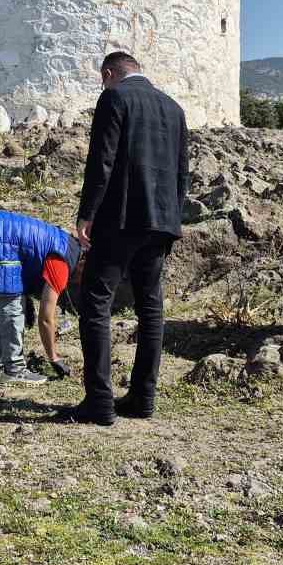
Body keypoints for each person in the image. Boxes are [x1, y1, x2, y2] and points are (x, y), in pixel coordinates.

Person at [57, 51, 189, 427]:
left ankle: (99, 400)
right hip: (161, 221)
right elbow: (182, 173)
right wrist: (173, 219)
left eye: (103, 80)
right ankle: (143, 397)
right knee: (151, 308)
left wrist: (87, 214)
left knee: (96, 303)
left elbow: (102, 161)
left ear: (109, 74)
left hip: (120, 219)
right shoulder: (174, 108)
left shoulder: (114, 98)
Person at [0, 209, 81, 386]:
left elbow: (29, 255)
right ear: (84, 262)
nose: (80, 281)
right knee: (11, 306)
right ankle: (14, 370)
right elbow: (46, 318)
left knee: (6, 303)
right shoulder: (62, 261)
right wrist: (54, 357)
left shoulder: (64, 241)